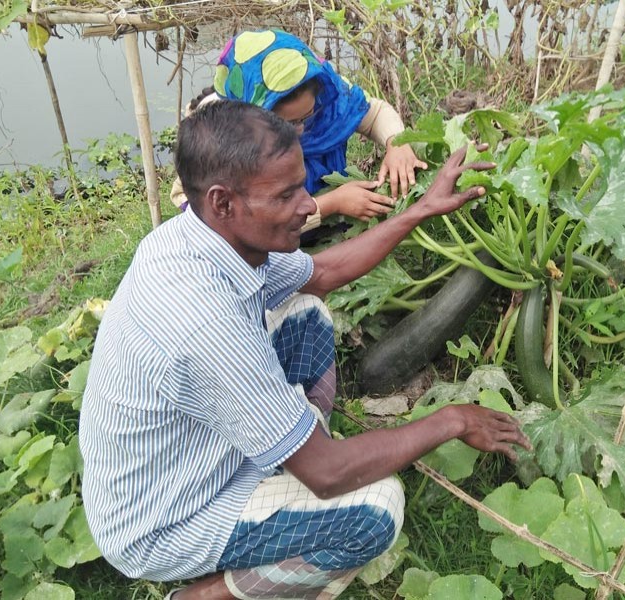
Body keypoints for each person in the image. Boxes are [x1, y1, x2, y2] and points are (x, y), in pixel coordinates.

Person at [79, 100, 529, 600]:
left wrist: (419, 210)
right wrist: (454, 420)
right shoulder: (204, 322)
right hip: (163, 520)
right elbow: (329, 474)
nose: (310, 205)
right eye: (287, 193)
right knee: (376, 507)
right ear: (223, 202)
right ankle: (199, 595)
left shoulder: (201, 237)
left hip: (189, 455)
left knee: (305, 312)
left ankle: (286, 454)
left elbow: (324, 274)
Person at [170, 29, 428, 230]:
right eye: (289, 124)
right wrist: (331, 204)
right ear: (253, 114)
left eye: (309, 115)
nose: (303, 129)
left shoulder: (328, 95)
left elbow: (374, 114)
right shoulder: (220, 139)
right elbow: (246, 226)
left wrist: (398, 143)